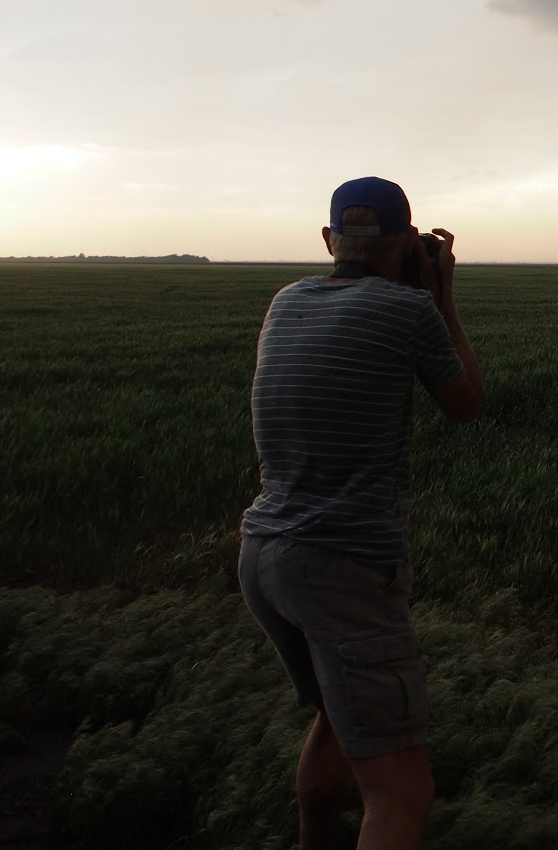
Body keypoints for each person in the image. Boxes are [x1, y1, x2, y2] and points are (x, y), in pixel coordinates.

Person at [238, 176, 483, 850]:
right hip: (342, 566)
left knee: (337, 721)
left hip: (263, 555)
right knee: (401, 789)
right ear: (407, 243)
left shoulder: (286, 301)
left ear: (329, 240)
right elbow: (466, 403)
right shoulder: (408, 311)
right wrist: (443, 299)